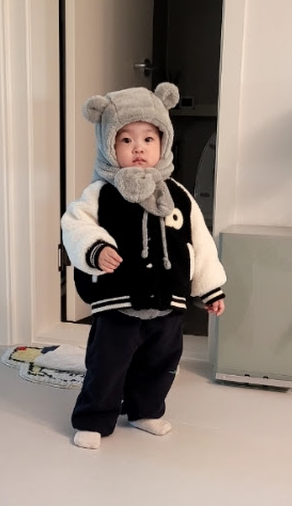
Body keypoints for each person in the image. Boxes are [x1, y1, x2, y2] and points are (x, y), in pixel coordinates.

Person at [61, 82, 226, 450]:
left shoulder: (178, 195)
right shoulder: (100, 193)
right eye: (126, 140)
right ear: (108, 145)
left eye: (148, 139)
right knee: (107, 365)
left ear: (163, 143)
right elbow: (75, 225)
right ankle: (94, 418)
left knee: (160, 363)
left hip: (168, 304)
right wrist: (95, 248)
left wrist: (210, 288)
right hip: (118, 302)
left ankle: (145, 411)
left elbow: (200, 243)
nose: (138, 148)